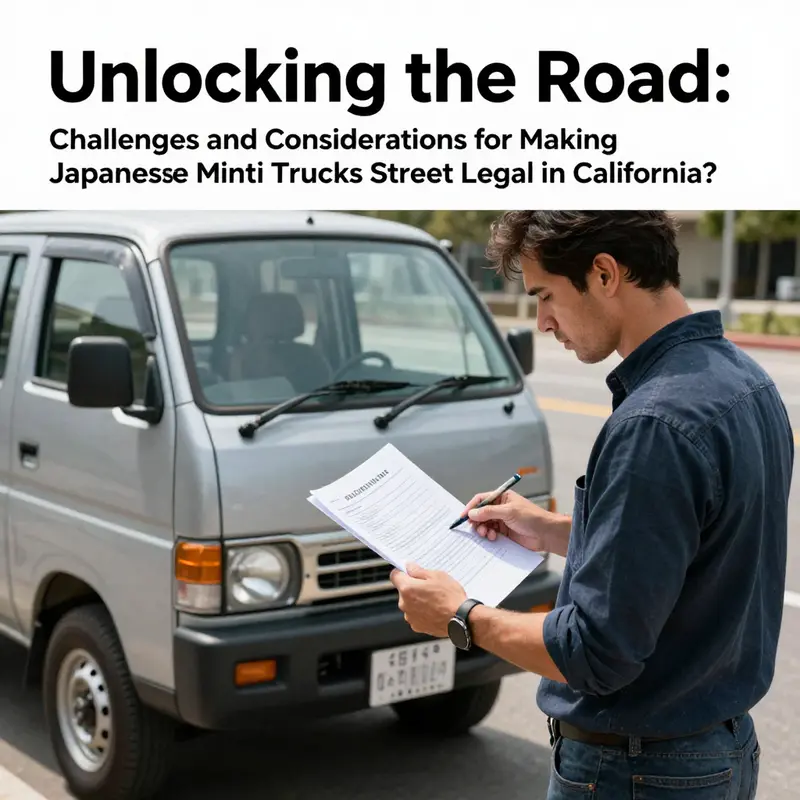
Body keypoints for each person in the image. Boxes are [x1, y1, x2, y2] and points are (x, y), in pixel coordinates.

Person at [390, 210, 794, 798]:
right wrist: (551, 529)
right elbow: (688, 545)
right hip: (718, 752)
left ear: (604, 273)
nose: (543, 321)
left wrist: (460, 615)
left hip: (638, 774)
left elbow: (595, 653)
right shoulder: (745, 382)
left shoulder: (655, 422)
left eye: (545, 295)